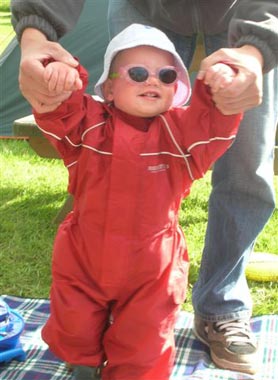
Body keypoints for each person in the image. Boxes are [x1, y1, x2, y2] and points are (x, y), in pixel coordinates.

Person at [11, 0, 278, 375]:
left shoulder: (181, 139)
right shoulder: (87, 128)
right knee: (74, 324)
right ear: (110, 88)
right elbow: (60, 112)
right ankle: (82, 361)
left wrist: (222, 95)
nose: (153, 80)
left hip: (152, 267)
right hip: (82, 258)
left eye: (168, 76)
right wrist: (58, 77)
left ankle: (217, 313)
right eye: (137, 72)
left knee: (146, 337)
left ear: (176, 91)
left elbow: (210, 126)